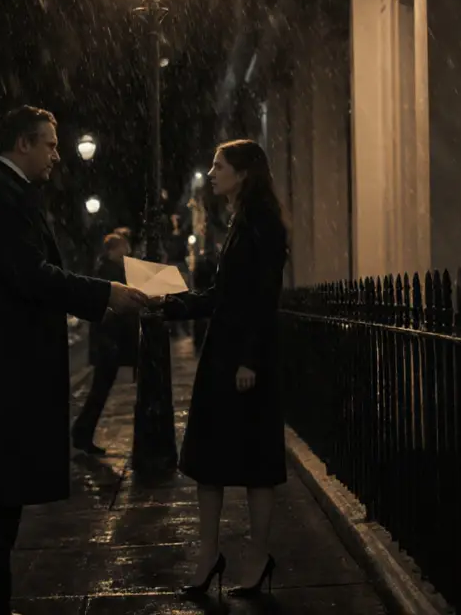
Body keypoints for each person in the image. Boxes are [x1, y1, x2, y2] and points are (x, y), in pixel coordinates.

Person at [0, 105, 148, 615]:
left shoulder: (5, 192)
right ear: (23, 143)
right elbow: (31, 275)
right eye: (50, 144)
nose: (57, 156)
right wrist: (105, 293)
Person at [148, 139, 290, 598]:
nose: (211, 174)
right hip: (222, 354)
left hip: (245, 360)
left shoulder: (262, 223)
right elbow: (220, 295)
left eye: (219, 166)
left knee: (255, 463)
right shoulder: (239, 221)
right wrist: (168, 303)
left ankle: (258, 556)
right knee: (207, 461)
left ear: (244, 173)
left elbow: (264, 297)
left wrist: (250, 358)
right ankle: (208, 555)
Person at [72, 232, 138, 455]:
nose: (126, 251)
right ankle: (81, 433)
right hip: (108, 340)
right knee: (100, 389)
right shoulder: (108, 272)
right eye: (123, 247)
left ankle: (82, 432)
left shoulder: (112, 269)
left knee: (101, 389)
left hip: (112, 339)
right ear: (113, 250)